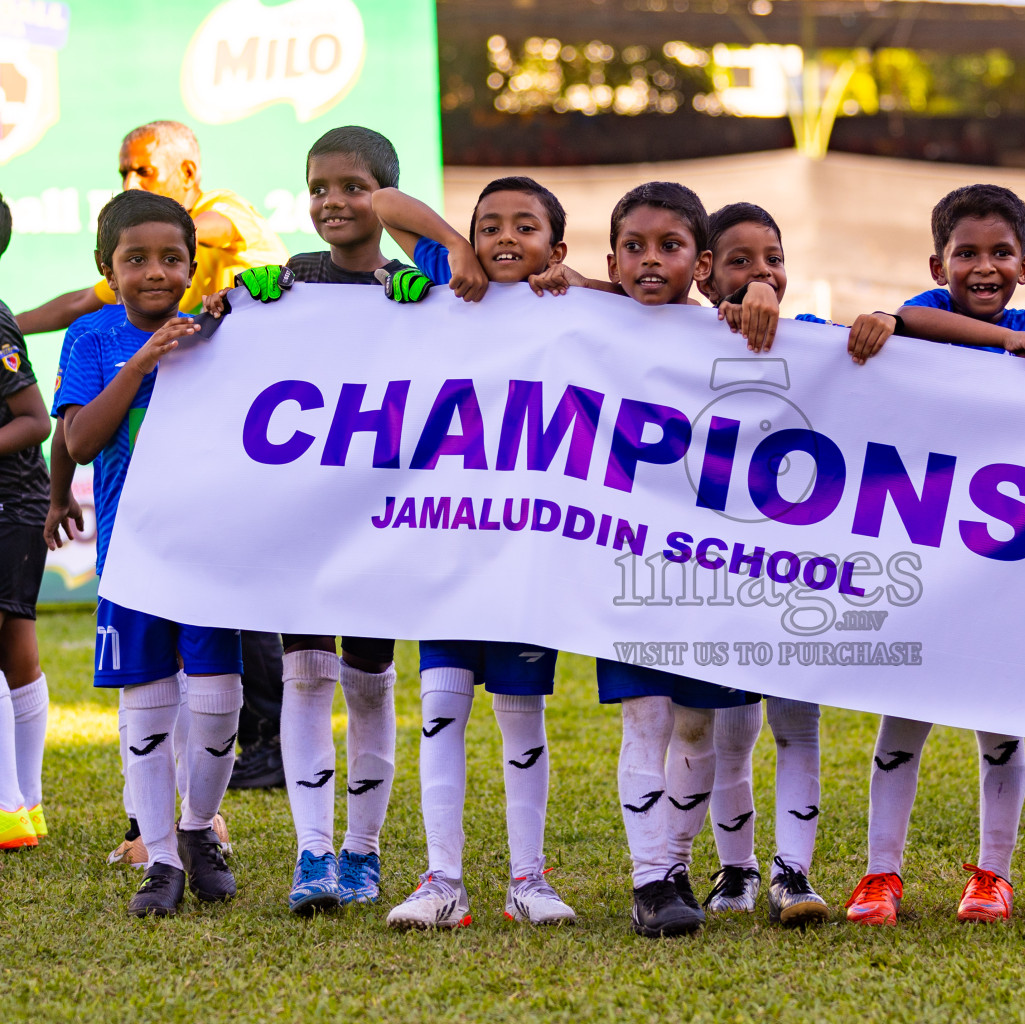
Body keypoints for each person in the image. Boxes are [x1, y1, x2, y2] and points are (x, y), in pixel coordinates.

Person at [843, 184, 1025, 926]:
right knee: (901, 723)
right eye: (966, 254)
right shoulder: (920, 322)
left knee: (999, 722)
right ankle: (879, 874)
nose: (983, 267)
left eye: (1000, 254)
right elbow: (908, 316)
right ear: (938, 262)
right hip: (924, 560)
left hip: (1004, 568)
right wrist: (1003, 344)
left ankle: (994, 875)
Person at [205, 126, 420, 916]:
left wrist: (419, 303)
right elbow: (226, 351)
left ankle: (362, 853)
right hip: (306, 518)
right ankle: (312, 853)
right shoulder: (289, 280)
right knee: (305, 673)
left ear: (386, 197)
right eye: (319, 188)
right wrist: (244, 310)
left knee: (367, 680)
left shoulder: (413, 289)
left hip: (381, 518)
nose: (333, 202)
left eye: (354, 187)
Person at [367, 175, 578, 929]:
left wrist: (578, 281)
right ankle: (442, 881)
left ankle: (529, 880)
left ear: (557, 248)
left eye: (526, 228)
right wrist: (454, 246)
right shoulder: (456, 279)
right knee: (441, 714)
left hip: (526, 556)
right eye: (490, 226)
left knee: (522, 719)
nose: (504, 240)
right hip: (450, 551)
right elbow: (382, 202)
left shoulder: (575, 302)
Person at [684, 202, 893, 926]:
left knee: (797, 725)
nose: (761, 273)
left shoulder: (815, 347)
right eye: (739, 260)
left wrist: (885, 327)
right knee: (728, 731)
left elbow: (885, 379)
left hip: (798, 575)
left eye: (772, 258)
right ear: (705, 271)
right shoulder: (675, 338)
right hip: (715, 573)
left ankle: (792, 873)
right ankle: (734, 871)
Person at [55, 190, 244, 916]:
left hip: (210, 550)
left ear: (194, 265)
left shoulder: (219, 332)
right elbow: (77, 440)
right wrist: (142, 363)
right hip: (134, 553)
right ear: (107, 268)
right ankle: (160, 859)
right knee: (147, 706)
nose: (156, 273)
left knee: (220, 703)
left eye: (172, 258)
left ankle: (198, 830)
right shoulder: (94, 338)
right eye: (136, 260)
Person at [592, 181, 758, 939]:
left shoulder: (729, 334)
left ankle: (677, 861)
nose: (650, 260)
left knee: (697, 730)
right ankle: (650, 880)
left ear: (703, 263)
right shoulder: (582, 323)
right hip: (627, 565)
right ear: (611, 258)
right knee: (646, 722)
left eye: (670, 247)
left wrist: (756, 301)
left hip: (710, 569)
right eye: (634, 247)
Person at [16, 120, 288, 334]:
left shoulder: (223, 205)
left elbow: (218, 227)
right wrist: (9, 329)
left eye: (144, 172)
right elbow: (79, 304)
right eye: (125, 173)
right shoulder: (158, 263)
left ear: (188, 173)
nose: (129, 185)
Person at [0, 195, 54, 850]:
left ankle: (10, 804)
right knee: (14, 642)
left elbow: (36, 420)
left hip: (12, 503)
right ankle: (26, 807)